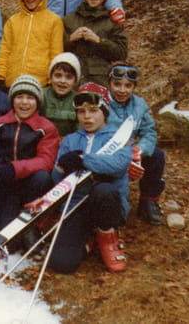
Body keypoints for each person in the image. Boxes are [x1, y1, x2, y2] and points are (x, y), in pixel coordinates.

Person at [48, 82, 132, 274]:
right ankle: (91, 240)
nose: (87, 116)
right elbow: (57, 182)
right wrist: (61, 168)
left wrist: (84, 159)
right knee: (62, 263)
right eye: (81, 112)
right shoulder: (71, 140)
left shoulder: (118, 137)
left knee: (103, 189)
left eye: (93, 111)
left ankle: (108, 236)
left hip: (108, 205)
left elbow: (117, 165)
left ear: (105, 112)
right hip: (76, 206)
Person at [0, 75, 60, 249]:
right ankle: (13, 221)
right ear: (12, 100)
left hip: (32, 185)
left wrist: (15, 168)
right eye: (19, 97)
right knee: (10, 245)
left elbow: (46, 160)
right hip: (8, 186)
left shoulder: (45, 128)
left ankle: (32, 222)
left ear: (38, 102)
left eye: (30, 98)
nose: (24, 102)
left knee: (42, 176)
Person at [106, 62, 165, 225]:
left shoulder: (139, 105)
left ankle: (149, 200)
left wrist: (139, 150)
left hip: (131, 151)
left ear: (134, 87)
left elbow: (149, 132)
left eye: (128, 86)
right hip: (106, 152)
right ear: (109, 84)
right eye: (117, 84)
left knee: (157, 156)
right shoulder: (100, 102)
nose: (122, 90)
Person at [0, 0, 63, 88]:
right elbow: (4, 51)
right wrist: (1, 76)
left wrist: (50, 80)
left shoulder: (54, 20)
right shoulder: (13, 21)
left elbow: (56, 53)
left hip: (40, 83)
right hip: (13, 81)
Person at [63, 0, 128, 85]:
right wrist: (70, 39)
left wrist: (99, 41)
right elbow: (56, 50)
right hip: (73, 81)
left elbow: (121, 54)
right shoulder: (69, 20)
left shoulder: (113, 22)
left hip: (101, 82)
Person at [41, 52, 82, 137]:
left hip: (69, 142)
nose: (62, 81)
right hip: (44, 140)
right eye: (58, 76)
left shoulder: (78, 100)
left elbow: (80, 129)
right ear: (51, 77)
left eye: (68, 77)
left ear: (75, 81)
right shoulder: (42, 96)